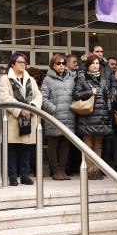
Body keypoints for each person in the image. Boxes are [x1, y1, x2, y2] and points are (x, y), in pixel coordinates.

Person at [0, 52, 42, 186]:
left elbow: (38, 96)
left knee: (26, 147)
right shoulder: (5, 79)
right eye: (20, 62)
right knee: (12, 148)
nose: (23, 64)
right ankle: (12, 176)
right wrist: (20, 110)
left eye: (24, 62)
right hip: (13, 119)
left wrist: (31, 108)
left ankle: (25, 175)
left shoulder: (31, 79)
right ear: (12, 63)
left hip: (29, 117)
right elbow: (5, 97)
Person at [73, 54, 114, 180]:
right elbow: (75, 94)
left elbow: (107, 97)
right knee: (88, 145)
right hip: (88, 117)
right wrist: (90, 92)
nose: (95, 66)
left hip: (101, 117)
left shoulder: (102, 80)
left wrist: (108, 110)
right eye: (93, 63)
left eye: (97, 63)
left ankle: (96, 169)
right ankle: (89, 170)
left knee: (98, 146)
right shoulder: (82, 78)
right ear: (88, 66)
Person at [40, 53, 75, 181]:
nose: (61, 66)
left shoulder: (70, 78)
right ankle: (54, 171)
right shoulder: (47, 79)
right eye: (58, 63)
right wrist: (54, 110)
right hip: (54, 117)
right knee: (53, 144)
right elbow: (43, 98)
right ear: (52, 65)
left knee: (65, 144)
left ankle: (62, 170)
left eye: (63, 63)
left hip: (69, 117)